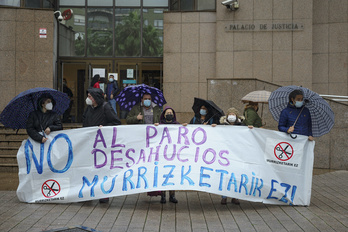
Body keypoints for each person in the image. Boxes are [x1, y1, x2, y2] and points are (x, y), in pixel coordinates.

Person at [83, 87, 121, 203]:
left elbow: (116, 122)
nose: (88, 99)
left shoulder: (106, 107)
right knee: (89, 169)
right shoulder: (88, 109)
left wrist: (104, 128)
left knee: (102, 170)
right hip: (90, 144)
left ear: (95, 98)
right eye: (88, 96)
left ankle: (103, 193)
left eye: (90, 96)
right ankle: (88, 192)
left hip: (102, 145)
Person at [218, 107, 253, 205]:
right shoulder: (222, 126)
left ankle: (235, 197)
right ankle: (224, 197)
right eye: (230, 114)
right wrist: (213, 127)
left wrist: (249, 129)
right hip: (225, 155)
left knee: (236, 176)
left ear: (236, 116)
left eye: (233, 114)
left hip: (237, 155)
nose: (231, 116)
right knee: (225, 176)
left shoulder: (242, 126)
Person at [154, 106, 179, 204]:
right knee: (163, 175)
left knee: (172, 175)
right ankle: (163, 196)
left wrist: (185, 126)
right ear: (164, 115)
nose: (169, 115)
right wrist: (155, 127)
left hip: (173, 154)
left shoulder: (177, 125)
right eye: (167, 113)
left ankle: (172, 195)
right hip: (162, 154)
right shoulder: (160, 125)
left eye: (171, 113)